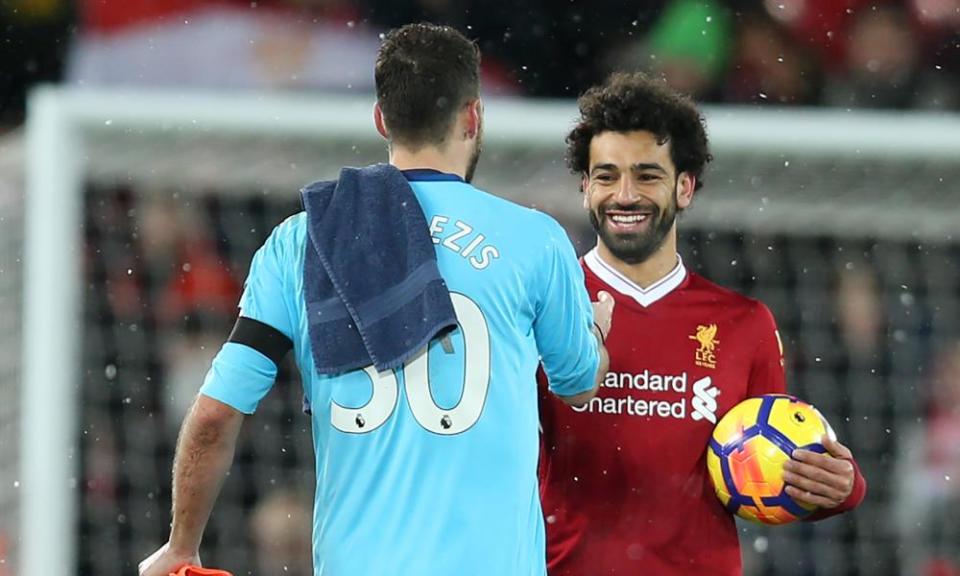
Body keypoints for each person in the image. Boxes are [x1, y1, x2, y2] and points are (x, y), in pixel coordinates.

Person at [139, 23, 612, 576]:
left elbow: (218, 412)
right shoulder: (534, 239)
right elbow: (578, 384)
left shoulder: (303, 239)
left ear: (382, 119)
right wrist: (598, 330)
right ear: (474, 117)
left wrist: (182, 545)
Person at [537, 72, 867, 576]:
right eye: (606, 176)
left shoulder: (743, 325)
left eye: (647, 175)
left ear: (685, 186)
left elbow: (769, 475)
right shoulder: (543, 306)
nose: (624, 195)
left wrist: (840, 487)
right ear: (584, 188)